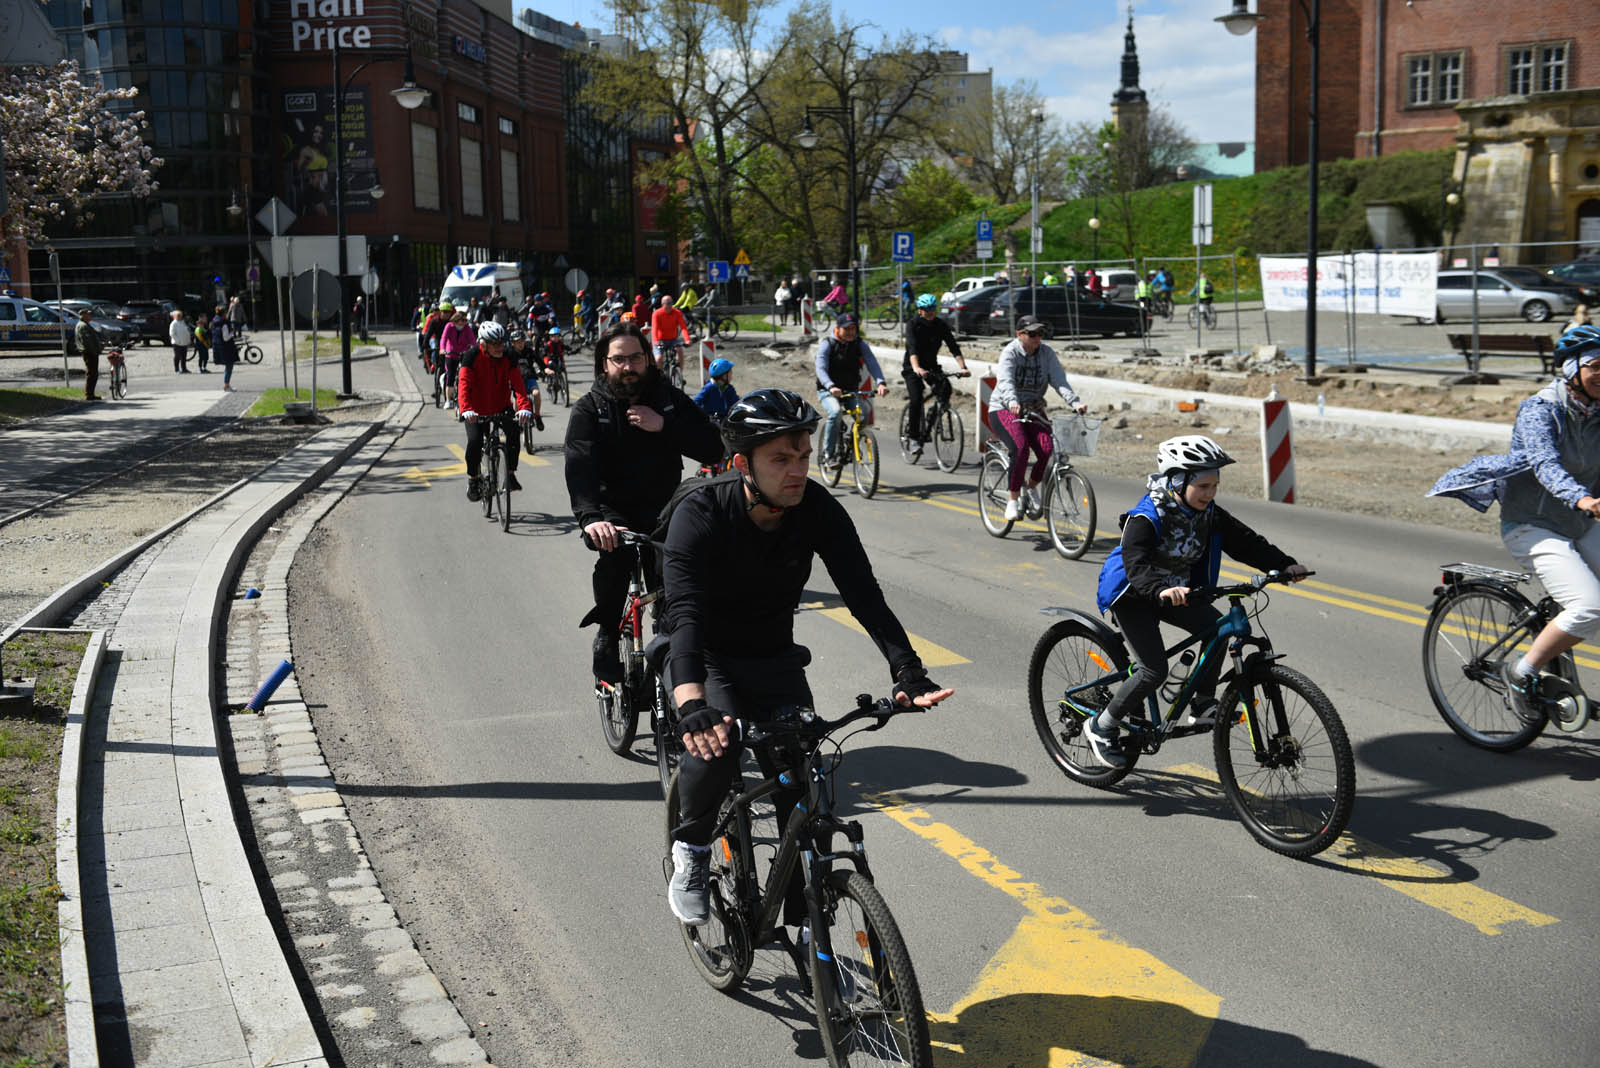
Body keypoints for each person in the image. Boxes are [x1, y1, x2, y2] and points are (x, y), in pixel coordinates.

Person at [660, 389, 955, 927]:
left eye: (803, 455)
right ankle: (693, 850)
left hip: (773, 654)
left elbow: (864, 595)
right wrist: (691, 703)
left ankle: (804, 909)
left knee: (802, 778)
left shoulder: (816, 508)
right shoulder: (700, 512)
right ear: (740, 464)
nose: (797, 470)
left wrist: (907, 670)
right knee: (717, 745)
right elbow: (684, 616)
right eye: (780, 459)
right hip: (708, 655)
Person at [1087, 436, 1308, 768]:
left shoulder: (1210, 513)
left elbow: (1247, 543)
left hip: (1177, 590)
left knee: (1215, 628)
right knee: (1153, 670)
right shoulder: (1146, 517)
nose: (1210, 493)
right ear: (1177, 480)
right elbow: (1135, 563)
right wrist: (1158, 589)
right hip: (1131, 593)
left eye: (1214, 485)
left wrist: (1283, 564)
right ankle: (1101, 726)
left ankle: (1203, 703)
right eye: (1202, 485)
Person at [1429, 325, 1600, 723]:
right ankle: (1522, 671)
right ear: (1571, 369)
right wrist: (1584, 499)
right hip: (1533, 524)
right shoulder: (1541, 410)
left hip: (1580, 520)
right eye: (1597, 366)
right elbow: (1544, 463)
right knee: (1590, 605)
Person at [564, 322, 723, 684]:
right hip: (613, 510)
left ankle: (678, 654)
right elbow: (579, 466)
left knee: (681, 583)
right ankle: (606, 632)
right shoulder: (590, 410)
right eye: (619, 359)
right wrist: (591, 518)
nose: (628, 366)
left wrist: (664, 425)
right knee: (616, 560)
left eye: (635, 357)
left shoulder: (668, 399)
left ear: (647, 360)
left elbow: (714, 448)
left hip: (667, 508)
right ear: (604, 364)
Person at [989, 315, 1087, 521]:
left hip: (1033, 408)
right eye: (1032, 334)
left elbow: (1059, 380)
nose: (1037, 338)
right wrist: (1012, 401)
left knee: (1046, 449)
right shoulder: (1010, 352)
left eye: (1040, 333)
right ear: (1019, 335)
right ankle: (1013, 499)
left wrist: (1075, 402)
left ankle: (1032, 487)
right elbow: (1005, 381)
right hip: (1005, 408)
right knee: (1021, 447)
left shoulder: (1046, 353)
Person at [458, 321, 536, 501]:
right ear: (483, 343)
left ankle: (510, 473)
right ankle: (473, 479)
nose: (500, 347)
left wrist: (524, 407)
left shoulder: (509, 355)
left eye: (502, 343)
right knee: (475, 441)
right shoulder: (472, 355)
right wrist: (466, 409)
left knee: (515, 433)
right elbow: (464, 385)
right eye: (495, 344)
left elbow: (518, 386)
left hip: (501, 406)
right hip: (475, 410)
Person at [814, 312, 889, 465]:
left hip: (850, 390)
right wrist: (831, 386)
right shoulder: (827, 344)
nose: (850, 332)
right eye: (846, 329)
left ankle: (854, 439)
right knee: (835, 413)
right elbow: (820, 368)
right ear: (838, 328)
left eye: (853, 328)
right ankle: (828, 455)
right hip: (828, 390)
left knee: (863, 413)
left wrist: (881, 382)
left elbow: (871, 362)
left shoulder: (859, 343)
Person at [903, 293, 969, 446]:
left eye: (933, 308)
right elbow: (912, 348)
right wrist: (916, 368)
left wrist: (963, 367)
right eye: (926, 309)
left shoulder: (940, 325)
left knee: (945, 389)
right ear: (920, 310)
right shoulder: (913, 324)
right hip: (912, 367)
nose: (930, 311)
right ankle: (913, 437)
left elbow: (953, 346)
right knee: (917, 399)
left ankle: (931, 419)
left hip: (932, 366)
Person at [506, 328, 547, 427]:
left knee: (536, 393)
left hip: (529, 377)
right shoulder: (509, 353)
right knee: (516, 400)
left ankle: (537, 415)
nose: (520, 344)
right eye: (517, 342)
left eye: (522, 341)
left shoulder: (529, 351)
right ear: (513, 343)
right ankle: (517, 419)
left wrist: (545, 369)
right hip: (516, 380)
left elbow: (538, 360)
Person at [440, 305, 475, 418]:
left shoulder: (467, 328)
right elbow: (444, 339)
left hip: (463, 354)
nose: (464, 322)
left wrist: (476, 350)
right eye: (462, 320)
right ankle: (448, 400)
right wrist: (443, 349)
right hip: (451, 354)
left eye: (465, 320)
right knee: (450, 376)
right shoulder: (449, 326)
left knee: (466, 375)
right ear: (456, 319)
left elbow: (473, 341)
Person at [650, 294, 691, 373]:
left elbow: (683, 327)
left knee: (680, 351)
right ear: (662, 304)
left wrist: (687, 340)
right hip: (660, 340)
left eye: (671, 303)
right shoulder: (656, 314)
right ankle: (660, 377)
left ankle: (679, 374)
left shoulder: (677, 313)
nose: (669, 306)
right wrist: (656, 341)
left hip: (673, 339)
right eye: (667, 304)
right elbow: (654, 329)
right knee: (658, 358)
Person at [693, 357, 737, 422]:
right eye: (730, 373)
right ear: (724, 376)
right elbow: (695, 403)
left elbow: (736, 403)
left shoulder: (729, 388)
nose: (732, 376)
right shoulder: (709, 388)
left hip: (725, 421)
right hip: (710, 422)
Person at [74, 309, 103, 400]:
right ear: (83, 315)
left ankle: (91, 394)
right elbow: (87, 341)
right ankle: (89, 394)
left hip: (91, 352)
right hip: (89, 352)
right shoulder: (83, 326)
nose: (91, 316)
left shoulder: (85, 324)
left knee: (93, 373)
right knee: (92, 374)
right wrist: (94, 351)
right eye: (89, 314)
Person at [211, 304, 239, 391]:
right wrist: (232, 333)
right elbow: (226, 337)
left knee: (228, 366)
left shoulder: (214, 322)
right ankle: (226, 385)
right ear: (223, 313)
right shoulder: (224, 324)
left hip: (218, 346)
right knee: (229, 366)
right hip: (226, 348)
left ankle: (226, 384)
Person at [169, 309, 192, 373]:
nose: (180, 316)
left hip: (184, 343)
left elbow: (187, 331)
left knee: (184, 357)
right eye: (178, 315)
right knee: (177, 356)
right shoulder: (173, 323)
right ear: (175, 316)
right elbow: (172, 333)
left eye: (180, 315)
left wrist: (188, 340)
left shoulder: (183, 322)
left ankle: (184, 369)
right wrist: (178, 341)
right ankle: (177, 369)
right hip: (177, 343)